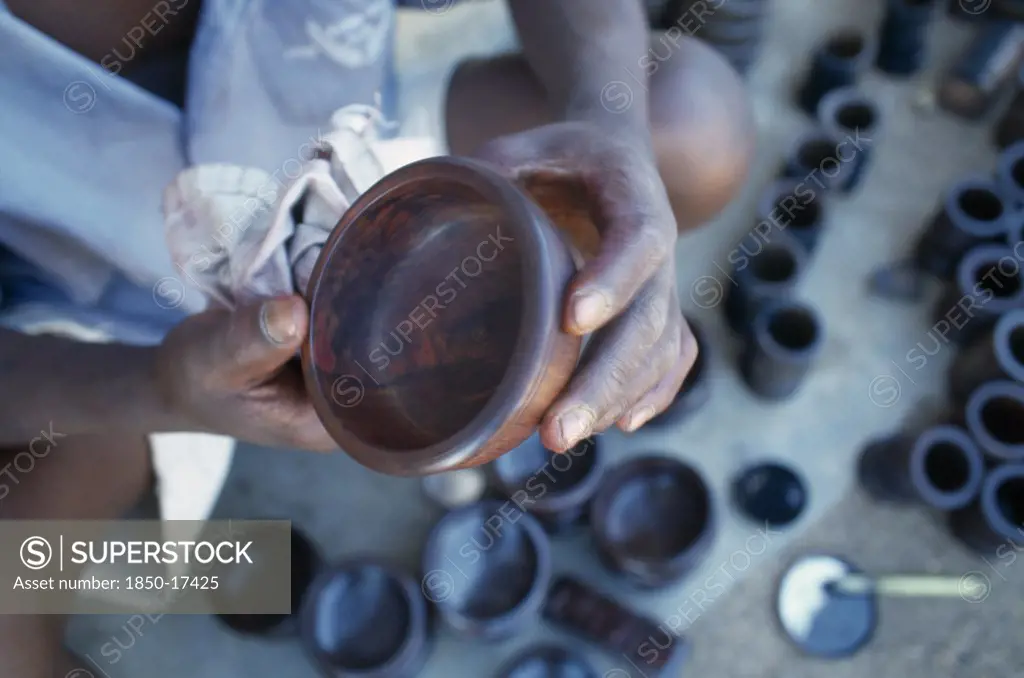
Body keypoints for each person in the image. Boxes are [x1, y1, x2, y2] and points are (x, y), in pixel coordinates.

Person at [0, 0, 754, 673]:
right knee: (17, 584)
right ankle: (201, 560)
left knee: (692, 125)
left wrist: (607, 122)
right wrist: (160, 388)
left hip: (378, 179)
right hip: (105, 327)